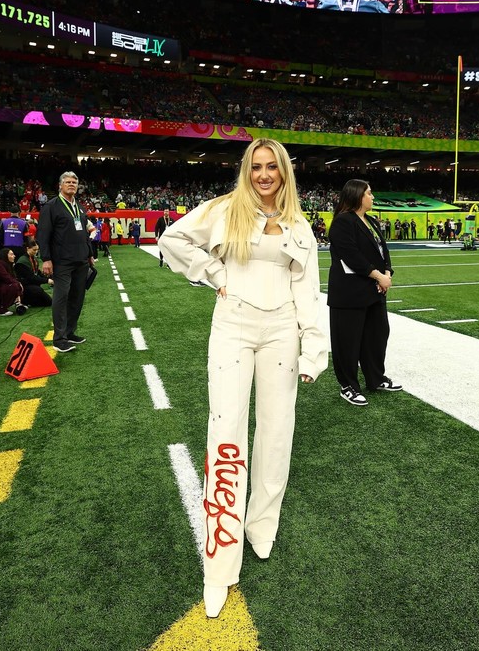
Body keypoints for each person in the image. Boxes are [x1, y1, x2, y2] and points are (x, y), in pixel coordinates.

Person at [158, 138, 327, 619]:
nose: (264, 174)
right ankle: (220, 564)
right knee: (227, 433)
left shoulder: (299, 224)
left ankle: (261, 528)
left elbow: (308, 292)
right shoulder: (224, 208)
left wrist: (313, 351)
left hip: (282, 333)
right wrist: (215, 273)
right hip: (232, 325)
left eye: (272, 167)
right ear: (246, 170)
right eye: (256, 166)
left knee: (277, 434)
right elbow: (171, 238)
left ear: (285, 172)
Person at [327, 179, 402, 406]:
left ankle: (375, 378)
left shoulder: (370, 221)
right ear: (357, 195)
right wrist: (379, 276)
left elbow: (382, 250)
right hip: (350, 293)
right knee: (348, 341)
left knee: (376, 336)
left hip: (373, 291)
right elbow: (351, 256)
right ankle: (348, 385)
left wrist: (387, 272)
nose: (373, 197)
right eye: (369, 193)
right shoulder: (342, 222)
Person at [37, 171, 94, 353]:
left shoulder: (79, 207)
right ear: (60, 185)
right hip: (61, 261)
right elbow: (43, 234)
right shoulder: (51, 206)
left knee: (77, 297)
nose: (71, 185)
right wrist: (46, 259)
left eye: (74, 183)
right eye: (68, 182)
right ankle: (59, 339)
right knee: (61, 298)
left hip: (81, 259)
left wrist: (90, 253)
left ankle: (70, 332)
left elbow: (85, 232)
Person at [15, 237, 53, 307]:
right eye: (34, 250)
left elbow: (38, 272)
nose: (36, 252)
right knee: (38, 291)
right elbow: (31, 278)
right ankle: (25, 300)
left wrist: (49, 278)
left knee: (49, 302)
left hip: (33, 285)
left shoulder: (33, 259)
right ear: (27, 249)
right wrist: (47, 280)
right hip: (24, 287)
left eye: (37, 250)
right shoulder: (22, 262)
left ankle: (30, 301)